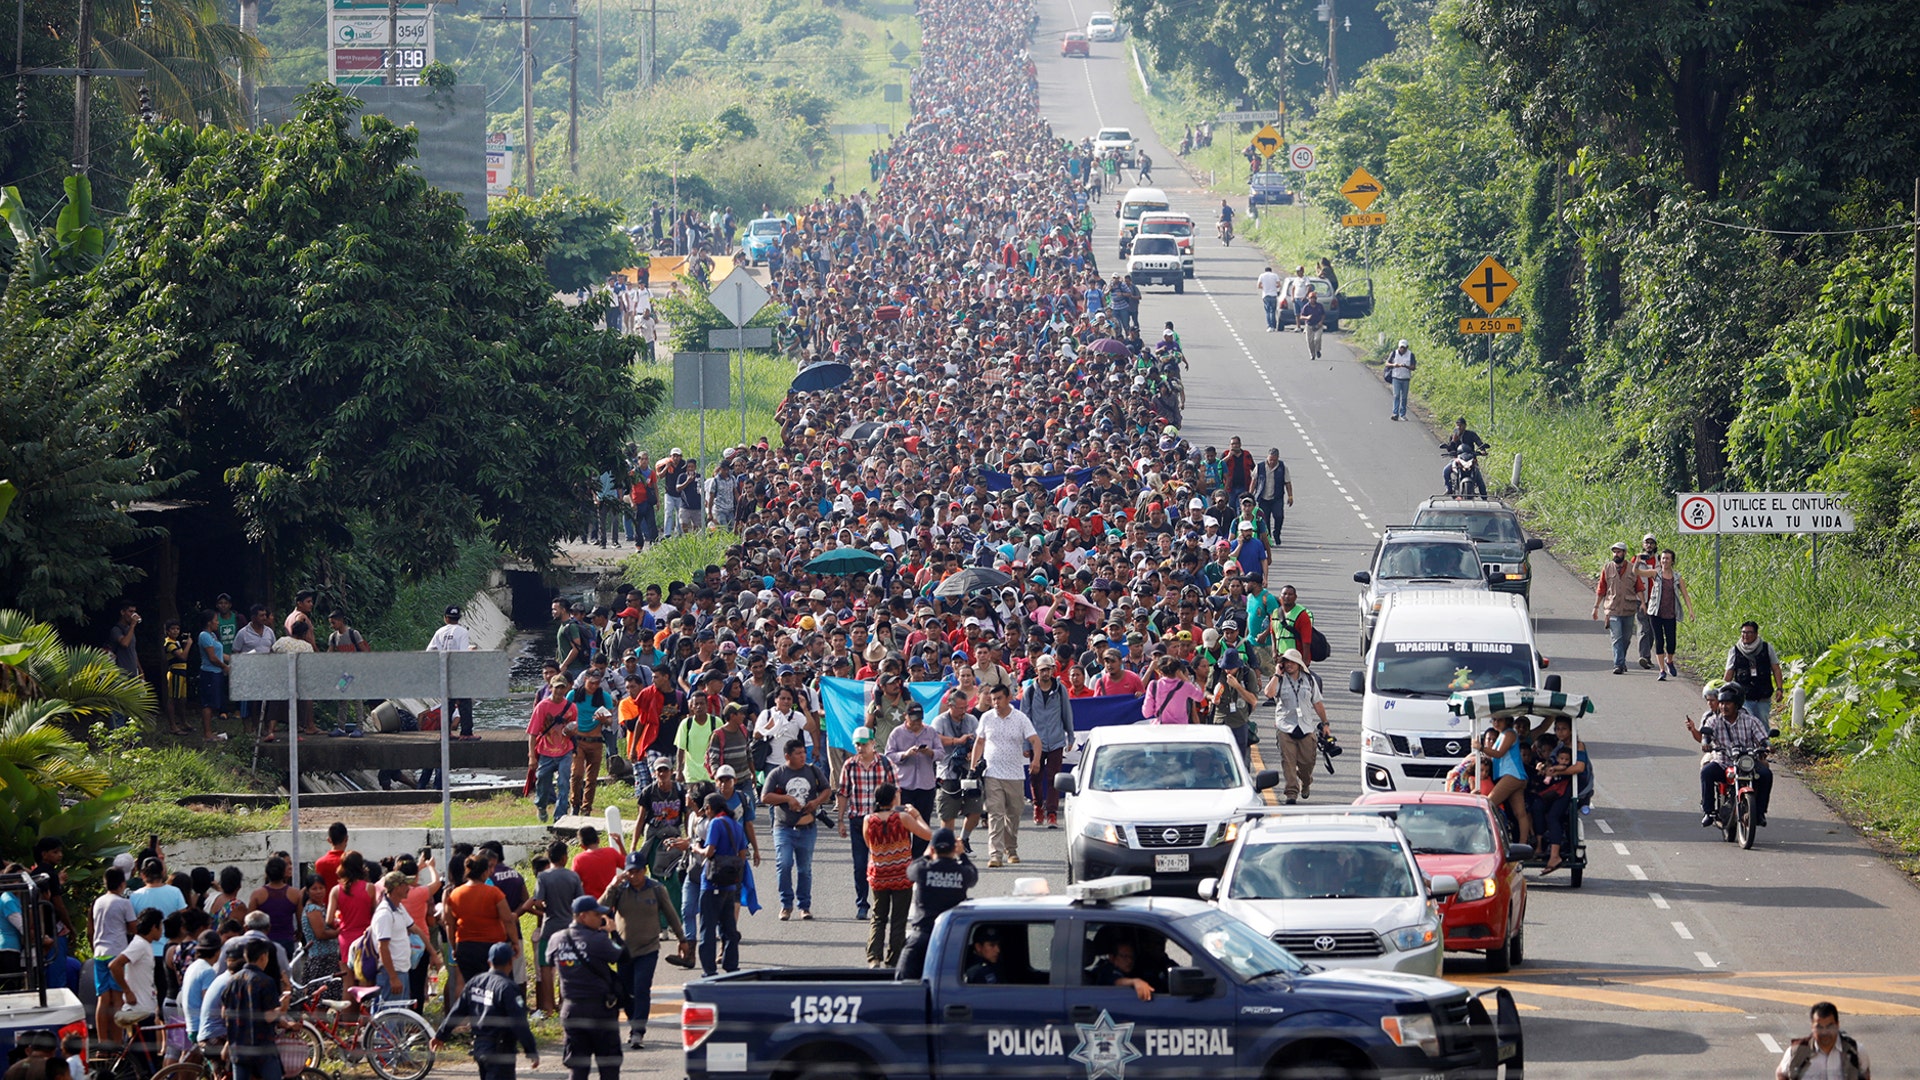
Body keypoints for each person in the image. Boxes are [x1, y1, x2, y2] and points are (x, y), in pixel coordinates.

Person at [599, 851, 690, 1049]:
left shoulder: (657, 889)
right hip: (623, 950)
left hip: (648, 948)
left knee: (641, 988)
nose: (634, 876)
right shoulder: (620, 889)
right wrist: (611, 885)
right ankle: (634, 1023)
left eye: (637, 871)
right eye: (630, 872)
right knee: (626, 992)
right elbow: (599, 908)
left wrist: (682, 939)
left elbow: (671, 914)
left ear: (645, 870)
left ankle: (638, 1031)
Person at [434, 941, 539, 1080]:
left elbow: (457, 1011)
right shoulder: (507, 988)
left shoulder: (475, 982)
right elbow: (519, 1023)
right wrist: (531, 1050)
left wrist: (441, 1035)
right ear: (510, 962)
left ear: (489, 962)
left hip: (480, 1046)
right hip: (500, 1050)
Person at [547, 895, 625, 1080]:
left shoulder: (556, 939)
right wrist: (613, 933)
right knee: (609, 1067)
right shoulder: (598, 940)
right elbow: (622, 956)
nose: (600, 919)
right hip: (600, 1010)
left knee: (577, 1068)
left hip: (571, 1009)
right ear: (582, 916)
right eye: (596, 915)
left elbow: (549, 962)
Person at [863, 783, 933, 970]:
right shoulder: (902, 817)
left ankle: (873, 957)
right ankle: (893, 959)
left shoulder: (869, 819)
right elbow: (927, 835)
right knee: (898, 918)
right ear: (893, 799)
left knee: (878, 916)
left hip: (879, 873)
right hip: (901, 873)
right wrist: (916, 815)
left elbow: (868, 843)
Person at [970, 684, 1041, 868]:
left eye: (999, 698)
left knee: (1014, 814)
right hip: (992, 773)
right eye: (993, 699)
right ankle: (995, 854)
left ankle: (1011, 849)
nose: (996, 703)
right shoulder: (987, 717)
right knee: (995, 813)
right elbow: (979, 742)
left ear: (1008, 697)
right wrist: (973, 766)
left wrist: (1036, 760)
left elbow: (1035, 740)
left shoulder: (1020, 718)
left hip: (1015, 775)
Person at [893, 826, 976, 980]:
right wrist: (962, 855)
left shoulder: (923, 870)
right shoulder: (962, 872)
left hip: (923, 934)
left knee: (903, 980)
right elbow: (973, 877)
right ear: (954, 848)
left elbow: (910, 871)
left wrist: (926, 856)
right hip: (951, 938)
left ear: (933, 849)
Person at [1687, 683, 1773, 828]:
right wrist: (1706, 742)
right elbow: (1706, 735)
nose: (1723, 706)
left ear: (1737, 704)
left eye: (1728, 703)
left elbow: (1762, 738)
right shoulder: (1713, 720)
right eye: (1721, 703)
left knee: (1766, 774)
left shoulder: (1750, 721)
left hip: (1746, 764)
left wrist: (1767, 746)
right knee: (1706, 772)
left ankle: (1759, 813)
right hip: (1723, 762)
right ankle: (1709, 812)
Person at [761, 738, 830, 920]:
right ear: (787, 756)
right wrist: (787, 799)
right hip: (783, 828)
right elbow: (765, 797)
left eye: (803, 752)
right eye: (798, 753)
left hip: (807, 828)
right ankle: (786, 904)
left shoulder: (812, 770)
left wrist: (815, 802)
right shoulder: (777, 774)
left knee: (804, 868)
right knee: (783, 864)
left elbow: (827, 790)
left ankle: (804, 906)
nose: (802, 756)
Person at [837, 727, 898, 921]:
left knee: (884, 863)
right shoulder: (849, 766)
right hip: (858, 820)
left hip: (882, 820)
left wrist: (895, 816)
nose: (860, 748)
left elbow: (896, 792)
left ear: (873, 743)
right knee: (860, 864)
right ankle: (862, 903)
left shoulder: (886, 764)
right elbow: (843, 793)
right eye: (857, 744)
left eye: (864, 744)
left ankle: (883, 904)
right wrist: (840, 820)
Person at [1262, 649, 1328, 803]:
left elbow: (1317, 703)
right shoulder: (1279, 679)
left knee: (1307, 763)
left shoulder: (1309, 680)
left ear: (1299, 664)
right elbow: (1268, 693)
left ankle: (1306, 781)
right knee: (1288, 762)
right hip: (1285, 726)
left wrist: (1325, 723)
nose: (1289, 665)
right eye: (1286, 662)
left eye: (1292, 662)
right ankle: (1291, 793)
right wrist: (1277, 674)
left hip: (1305, 726)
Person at [694, 792, 749, 976]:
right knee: (729, 928)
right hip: (729, 884)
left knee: (707, 928)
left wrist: (696, 848)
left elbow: (709, 852)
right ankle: (731, 965)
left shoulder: (716, 823)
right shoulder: (736, 825)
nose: (705, 812)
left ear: (710, 808)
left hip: (711, 883)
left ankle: (709, 970)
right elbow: (742, 854)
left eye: (706, 809)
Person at [445, 855, 520, 985]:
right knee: (497, 984)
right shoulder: (494, 893)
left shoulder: (455, 894)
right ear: (485, 872)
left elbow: (449, 923)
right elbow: (508, 920)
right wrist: (514, 942)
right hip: (491, 947)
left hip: (465, 947)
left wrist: (454, 947)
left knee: (473, 987)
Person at [1019, 656, 1075, 827]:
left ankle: (1052, 813)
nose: (1045, 673)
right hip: (1036, 741)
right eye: (1042, 669)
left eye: (1048, 669)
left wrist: (1070, 736)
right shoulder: (1029, 691)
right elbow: (1024, 718)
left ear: (1052, 670)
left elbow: (1067, 713)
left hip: (1056, 740)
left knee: (1054, 777)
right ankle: (1037, 807)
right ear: (1036, 671)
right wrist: (1026, 743)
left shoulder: (1060, 689)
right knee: (1035, 775)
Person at [219, 940, 284, 1080]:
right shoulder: (266, 981)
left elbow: (224, 1013)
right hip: (262, 1048)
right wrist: (281, 1007)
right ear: (263, 956)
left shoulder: (232, 980)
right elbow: (268, 1017)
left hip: (238, 1047)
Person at [531, 839, 582, 1017]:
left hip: (549, 927)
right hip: (569, 927)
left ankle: (548, 1007)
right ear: (563, 857)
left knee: (546, 967)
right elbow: (579, 903)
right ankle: (564, 1003)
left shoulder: (543, 877)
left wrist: (547, 908)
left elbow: (537, 902)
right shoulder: (573, 876)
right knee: (566, 965)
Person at [89, 865, 137, 1043]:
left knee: (103, 1000)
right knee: (117, 1000)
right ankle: (117, 1045)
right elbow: (133, 928)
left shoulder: (98, 902)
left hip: (99, 952)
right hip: (117, 953)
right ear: (122, 884)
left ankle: (102, 1044)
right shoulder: (124, 903)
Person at [1634, 548, 1691, 680]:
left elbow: (1685, 596)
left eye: (1667, 559)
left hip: (1670, 614)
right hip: (1655, 613)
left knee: (1671, 643)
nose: (1665, 561)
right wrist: (1637, 561)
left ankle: (1669, 661)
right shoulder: (1656, 574)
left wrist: (1691, 611)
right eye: (1663, 558)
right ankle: (1662, 670)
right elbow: (1636, 572)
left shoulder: (1677, 578)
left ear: (1672, 561)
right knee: (1659, 641)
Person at [1776, 1001, 1872, 1079]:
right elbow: (1781, 1074)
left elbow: (1865, 1075)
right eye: (1819, 1027)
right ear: (1812, 1027)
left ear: (1837, 1025)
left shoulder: (1855, 1051)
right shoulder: (1797, 1051)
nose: (1825, 1032)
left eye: (1829, 1027)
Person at [528, 676, 579, 823]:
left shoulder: (571, 707)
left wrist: (572, 731)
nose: (559, 691)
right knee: (542, 780)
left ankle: (560, 815)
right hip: (546, 751)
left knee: (564, 782)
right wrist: (532, 756)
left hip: (565, 749)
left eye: (562, 687)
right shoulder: (542, 707)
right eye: (557, 687)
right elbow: (532, 733)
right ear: (551, 688)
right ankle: (541, 805)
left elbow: (574, 728)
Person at [427, 605, 480, 740]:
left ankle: (445, 733)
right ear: (459, 618)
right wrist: (470, 650)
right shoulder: (462, 632)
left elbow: (430, 651)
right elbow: (461, 654)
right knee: (465, 702)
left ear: (446, 618)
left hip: (445, 672)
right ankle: (466, 733)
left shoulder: (439, 632)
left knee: (448, 703)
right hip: (458, 672)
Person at [1592, 541, 1643, 675]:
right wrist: (1596, 607)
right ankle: (1618, 664)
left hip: (1629, 608)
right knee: (1617, 637)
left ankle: (1622, 659)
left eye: (1619, 551)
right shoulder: (1607, 568)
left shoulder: (1633, 569)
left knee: (1626, 638)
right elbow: (1601, 589)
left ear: (1625, 553)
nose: (1616, 554)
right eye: (1614, 552)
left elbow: (1639, 588)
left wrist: (1643, 603)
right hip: (1612, 609)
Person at [368, 870, 415, 1007]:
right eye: (405, 884)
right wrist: (393, 978)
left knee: (399, 1017)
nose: (409, 888)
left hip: (401, 971)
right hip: (391, 973)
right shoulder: (385, 913)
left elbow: (413, 927)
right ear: (397, 887)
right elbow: (383, 947)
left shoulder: (398, 908)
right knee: (390, 1021)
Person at [1725, 620, 1786, 725]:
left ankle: (1764, 741)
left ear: (1756, 634)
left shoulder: (1767, 648)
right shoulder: (1734, 651)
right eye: (1743, 632)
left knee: (1762, 723)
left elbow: (1776, 669)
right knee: (1747, 722)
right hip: (1744, 696)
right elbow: (1729, 673)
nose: (1745, 635)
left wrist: (1779, 688)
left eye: (1749, 632)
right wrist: (1722, 691)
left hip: (1763, 695)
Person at [1087, 937, 1155, 1002]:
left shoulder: (1127, 970)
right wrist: (1136, 982)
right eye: (1125, 956)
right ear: (1112, 958)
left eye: (1132, 957)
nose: (1130, 961)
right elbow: (1118, 981)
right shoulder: (1107, 970)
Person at [1631, 534, 1661, 669]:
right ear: (1643, 545)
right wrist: (1637, 561)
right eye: (1646, 543)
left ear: (1655, 545)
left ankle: (1647, 655)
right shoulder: (1637, 559)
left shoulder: (1660, 560)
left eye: (1651, 543)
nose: (1649, 545)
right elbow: (1632, 575)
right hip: (1640, 598)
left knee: (1653, 630)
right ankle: (1644, 656)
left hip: (1655, 599)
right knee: (1643, 627)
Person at [1439, 418, 1490, 493]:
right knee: (1446, 471)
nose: (1459, 427)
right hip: (1457, 459)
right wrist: (1453, 441)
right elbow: (1450, 449)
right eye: (1458, 425)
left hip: (1470, 458)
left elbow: (1478, 442)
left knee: (1478, 476)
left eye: (1461, 425)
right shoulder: (1453, 436)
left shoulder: (1471, 434)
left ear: (1465, 426)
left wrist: (1482, 450)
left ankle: (1484, 495)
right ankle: (1449, 488)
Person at [1384, 339, 1415, 420]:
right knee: (1396, 395)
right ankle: (1395, 413)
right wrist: (1394, 365)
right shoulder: (1394, 353)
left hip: (1405, 378)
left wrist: (1406, 366)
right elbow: (1387, 363)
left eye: (1404, 348)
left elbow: (1413, 367)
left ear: (1407, 348)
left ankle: (1402, 414)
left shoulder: (1410, 355)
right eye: (1401, 348)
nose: (1402, 349)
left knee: (1404, 397)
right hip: (1396, 377)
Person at [1298, 290, 1326, 360]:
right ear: (1309, 299)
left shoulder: (1319, 306)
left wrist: (1321, 322)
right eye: (1311, 298)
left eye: (1314, 298)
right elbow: (1301, 316)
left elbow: (1323, 314)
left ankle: (1318, 350)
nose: (1312, 300)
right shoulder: (1306, 307)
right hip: (1309, 325)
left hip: (1318, 325)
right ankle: (1312, 354)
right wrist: (1307, 317)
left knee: (1317, 339)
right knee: (1310, 341)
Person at [1257, 266, 1283, 331]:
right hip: (1273, 295)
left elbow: (1258, 286)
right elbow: (1279, 285)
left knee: (1268, 311)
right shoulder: (1275, 275)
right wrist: (1274, 286)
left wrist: (1264, 287)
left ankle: (1269, 326)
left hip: (1266, 295)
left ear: (1265, 271)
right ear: (1271, 271)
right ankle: (1273, 326)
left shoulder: (1262, 276)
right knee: (1273, 311)